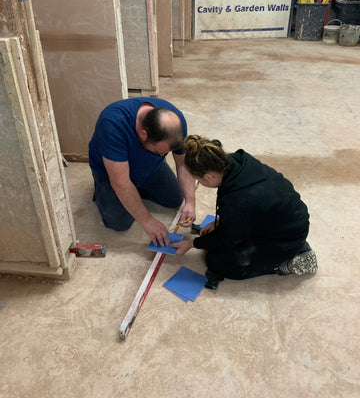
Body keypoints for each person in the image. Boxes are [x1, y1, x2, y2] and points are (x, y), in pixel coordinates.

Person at [171, 135, 317, 289]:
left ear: (208, 176)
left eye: (198, 180)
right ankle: (289, 247)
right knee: (217, 240)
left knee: (217, 261)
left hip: (285, 238)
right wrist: (220, 222)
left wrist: (192, 243)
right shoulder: (237, 161)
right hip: (286, 219)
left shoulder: (239, 201)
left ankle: (288, 262)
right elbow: (246, 208)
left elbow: (228, 239)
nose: (199, 183)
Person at [88, 98, 196, 246]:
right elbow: (121, 183)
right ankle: (103, 190)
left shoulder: (175, 122)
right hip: (111, 172)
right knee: (119, 223)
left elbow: (183, 164)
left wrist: (190, 202)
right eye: (158, 151)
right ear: (144, 134)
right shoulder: (112, 124)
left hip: (149, 167)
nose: (162, 155)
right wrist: (147, 220)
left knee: (175, 199)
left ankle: (134, 191)